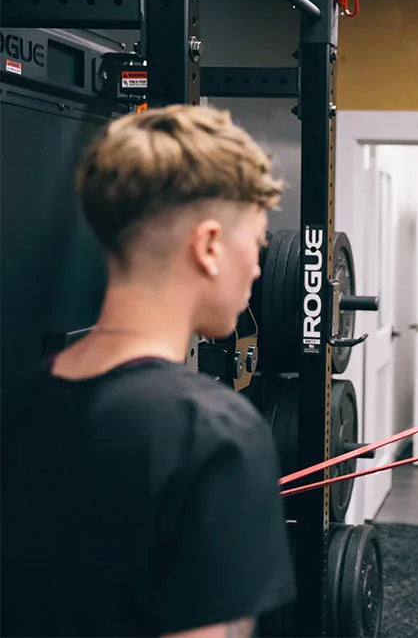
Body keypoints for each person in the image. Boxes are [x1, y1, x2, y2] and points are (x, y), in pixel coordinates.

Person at [1, 105, 294, 637]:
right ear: (208, 246)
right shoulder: (213, 432)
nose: (256, 267)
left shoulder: (20, 403)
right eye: (256, 242)